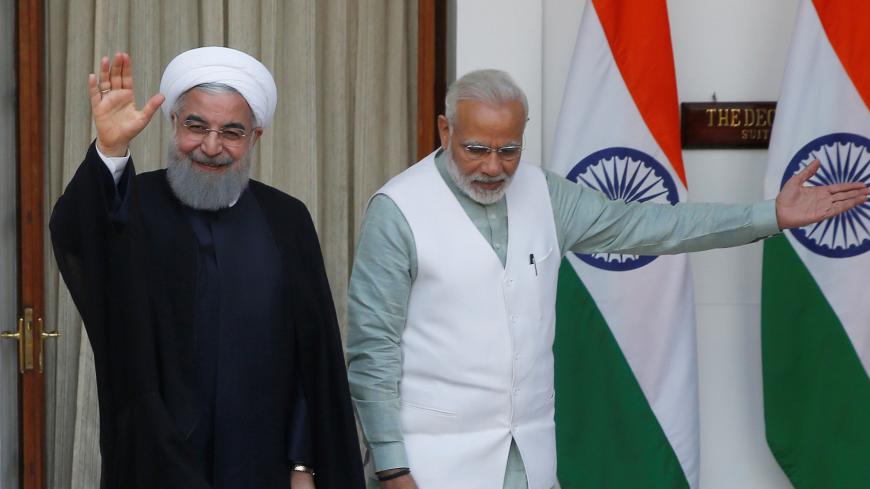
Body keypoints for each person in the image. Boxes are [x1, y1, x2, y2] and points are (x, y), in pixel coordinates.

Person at [345, 69, 869, 489]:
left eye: (509, 150)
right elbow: (373, 349)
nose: (494, 167)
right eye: (476, 149)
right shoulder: (399, 209)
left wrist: (769, 215)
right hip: (431, 462)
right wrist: (391, 466)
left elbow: (651, 226)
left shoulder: (546, 194)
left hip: (530, 458)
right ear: (445, 131)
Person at [50, 48, 365, 489]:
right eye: (195, 126)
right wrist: (111, 149)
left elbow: (310, 356)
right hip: (156, 462)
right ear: (173, 123)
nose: (211, 146)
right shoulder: (133, 205)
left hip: (263, 462)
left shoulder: (286, 219)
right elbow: (77, 237)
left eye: (231, 132)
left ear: (255, 136)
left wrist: (301, 461)